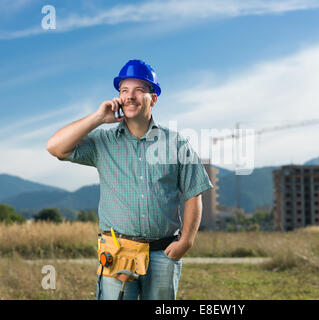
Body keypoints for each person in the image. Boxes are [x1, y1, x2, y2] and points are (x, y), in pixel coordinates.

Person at [46, 59, 213, 300]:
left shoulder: (176, 143)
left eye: (138, 90)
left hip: (163, 253)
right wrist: (97, 118)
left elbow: (194, 193)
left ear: (153, 99)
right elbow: (54, 147)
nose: (129, 96)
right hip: (117, 252)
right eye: (124, 90)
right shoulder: (103, 142)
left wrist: (186, 241)